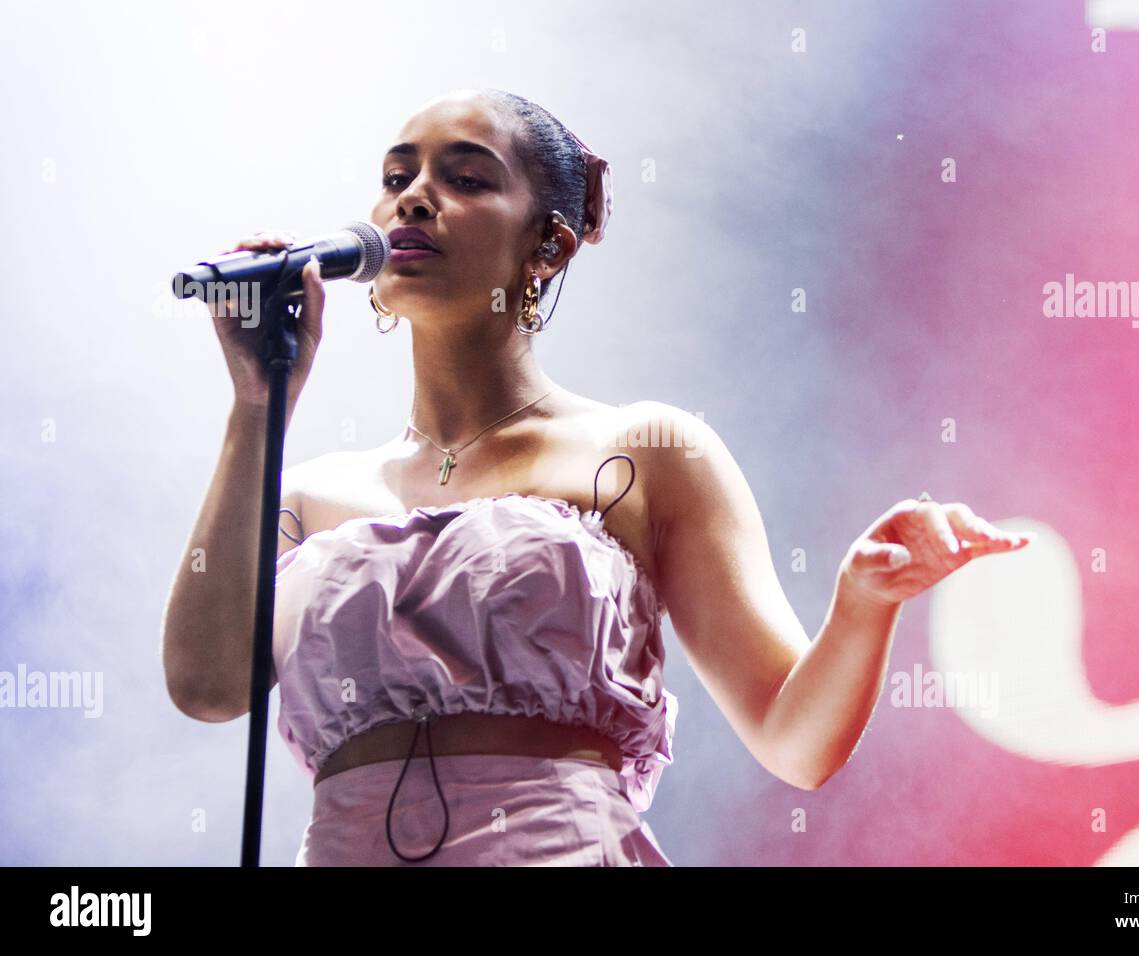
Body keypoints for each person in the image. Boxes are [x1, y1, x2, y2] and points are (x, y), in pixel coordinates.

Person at [160, 87, 1035, 867]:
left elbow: (793, 740)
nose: (413, 198)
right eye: (396, 179)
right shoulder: (309, 491)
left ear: (549, 245)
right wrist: (256, 404)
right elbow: (205, 686)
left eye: (465, 179)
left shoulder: (646, 449)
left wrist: (862, 603)